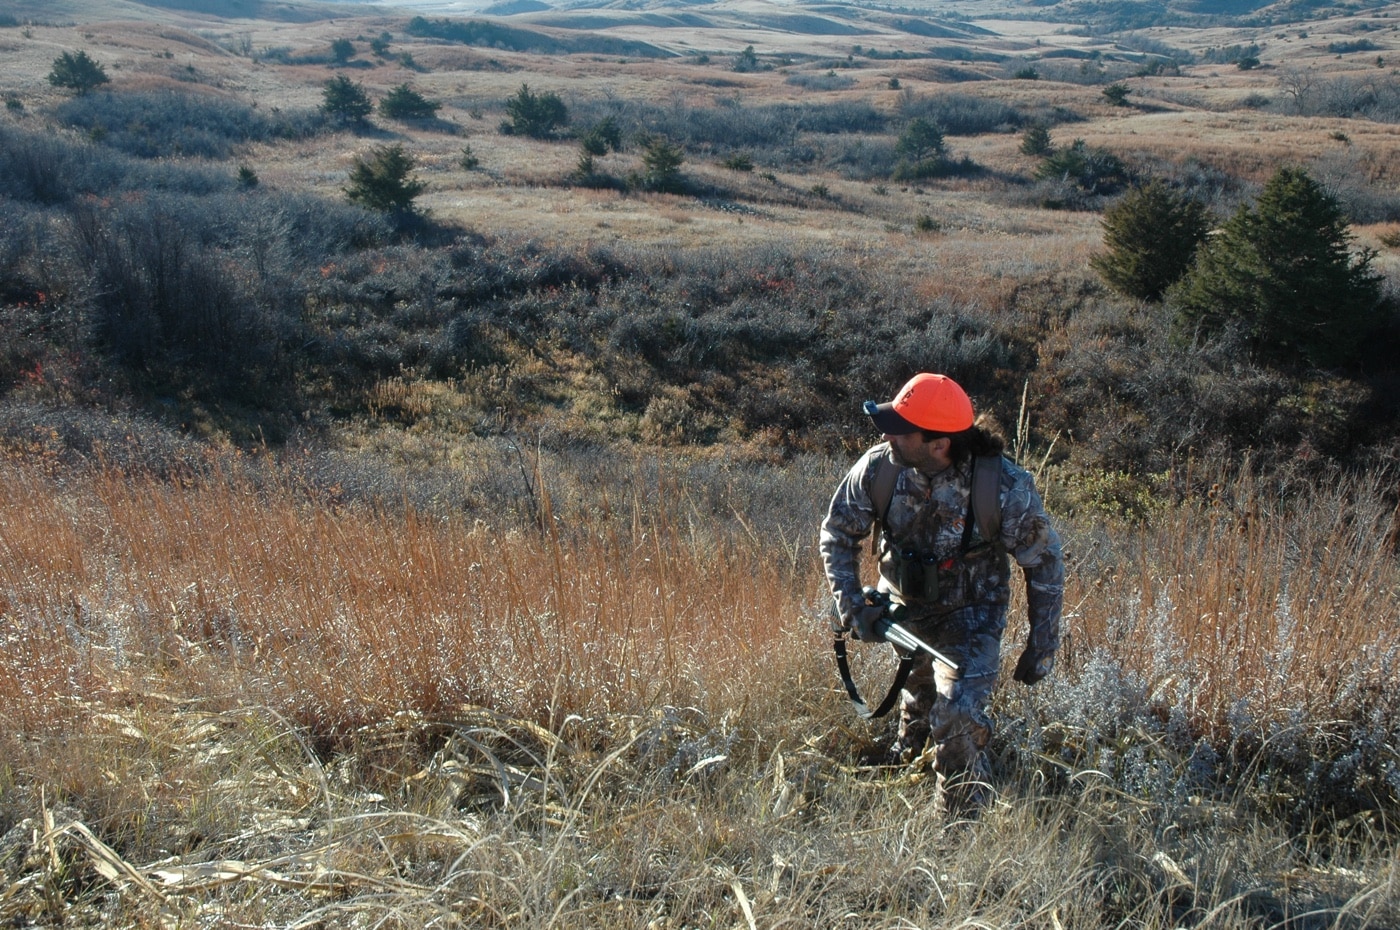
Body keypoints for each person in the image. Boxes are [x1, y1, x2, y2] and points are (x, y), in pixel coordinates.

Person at [819, 372, 1064, 810]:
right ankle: (912, 756)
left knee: (956, 712)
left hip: (970, 616)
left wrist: (1042, 643)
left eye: (900, 429)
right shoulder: (881, 468)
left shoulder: (1003, 488)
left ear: (939, 444)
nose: (886, 434)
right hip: (902, 609)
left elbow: (1044, 562)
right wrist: (853, 606)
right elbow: (837, 533)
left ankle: (960, 823)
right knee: (919, 698)